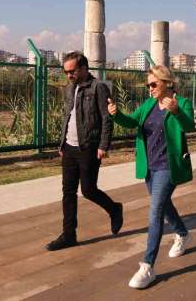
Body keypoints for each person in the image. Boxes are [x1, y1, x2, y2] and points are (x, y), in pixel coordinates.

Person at [108, 65, 194, 289]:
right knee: (164, 207)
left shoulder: (180, 103)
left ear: (166, 83)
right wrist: (117, 115)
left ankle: (147, 266)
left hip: (169, 166)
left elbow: (189, 126)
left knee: (155, 211)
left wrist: (176, 111)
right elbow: (132, 122)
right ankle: (183, 233)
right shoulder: (148, 105)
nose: (150, 88)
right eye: (148, 85)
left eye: (153, 84)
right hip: (150, 166)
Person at [46, 51, 123, 251]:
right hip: (69, 148)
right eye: (66, 72)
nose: (68, 75)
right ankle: (69, 234)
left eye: (72, 71)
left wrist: (104, 145)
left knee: (88, 190)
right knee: (68, 191)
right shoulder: (69, 88)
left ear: (83, 68)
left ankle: (114, 209)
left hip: (89, 147)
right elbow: (67, 116)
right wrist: (62, 142)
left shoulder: (99, 88)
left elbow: (107, 118)